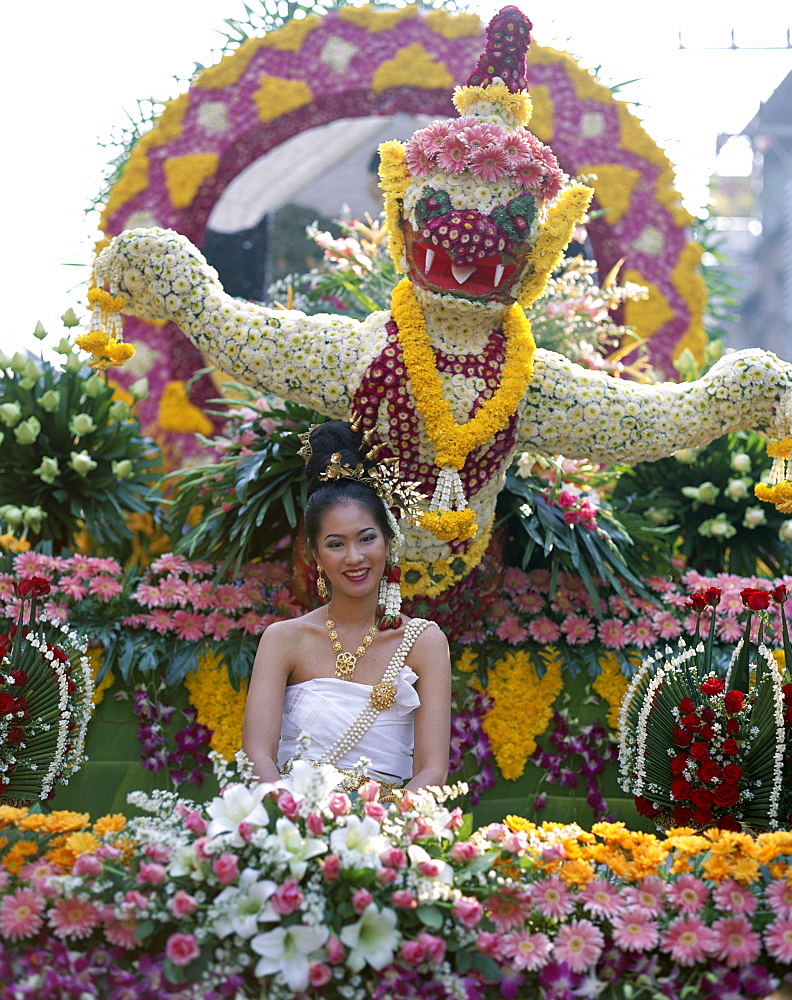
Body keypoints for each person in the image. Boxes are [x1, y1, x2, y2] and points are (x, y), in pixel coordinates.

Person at [242, 420, 451, 795]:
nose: (354, 557)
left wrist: (380, 832)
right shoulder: (283, 640)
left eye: (366, 538)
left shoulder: (424, 643)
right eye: (336, 544)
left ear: (389, 543)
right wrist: (291, 822)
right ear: (317, 555)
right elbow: (257, 755)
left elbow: (433, 771)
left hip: (385, 835)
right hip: (292, 828)